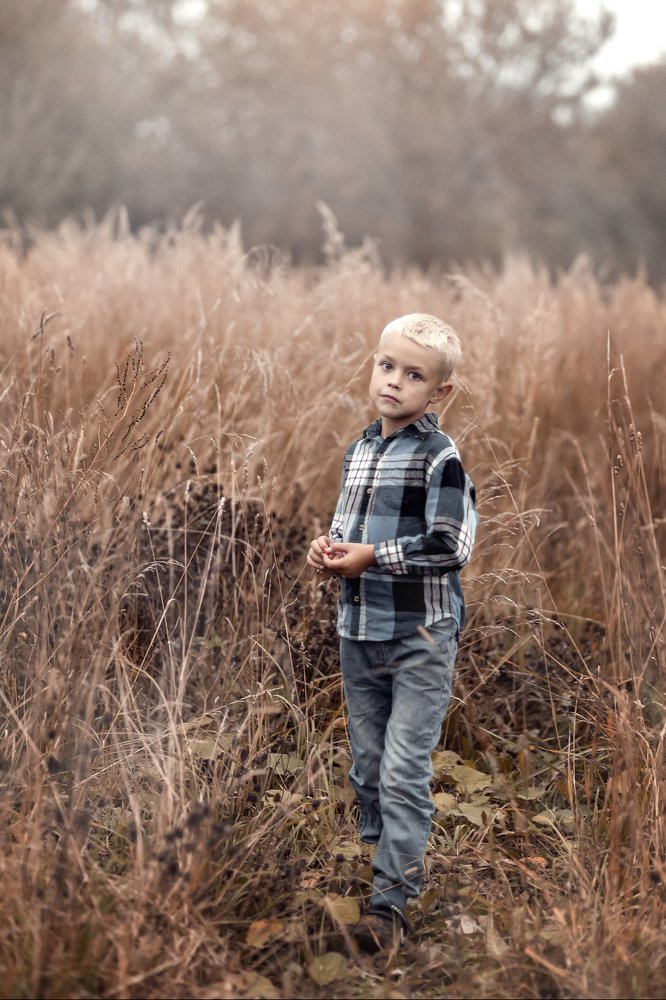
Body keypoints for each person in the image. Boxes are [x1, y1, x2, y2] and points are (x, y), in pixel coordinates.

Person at [307, 313, 478, 953]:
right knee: (369, 765)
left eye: (414, 376)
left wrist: (373, 557)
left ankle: (390, 904)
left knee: (404, 768)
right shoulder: (361, 450)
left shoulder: (441, 457)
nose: (394, 382)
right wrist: (330, 549)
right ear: (372, 364)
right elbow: (351, 530)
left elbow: (450, 544)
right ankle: (386, 860)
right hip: (360, 630)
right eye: (386, 366)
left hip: (421, 636)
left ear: (439, 393)